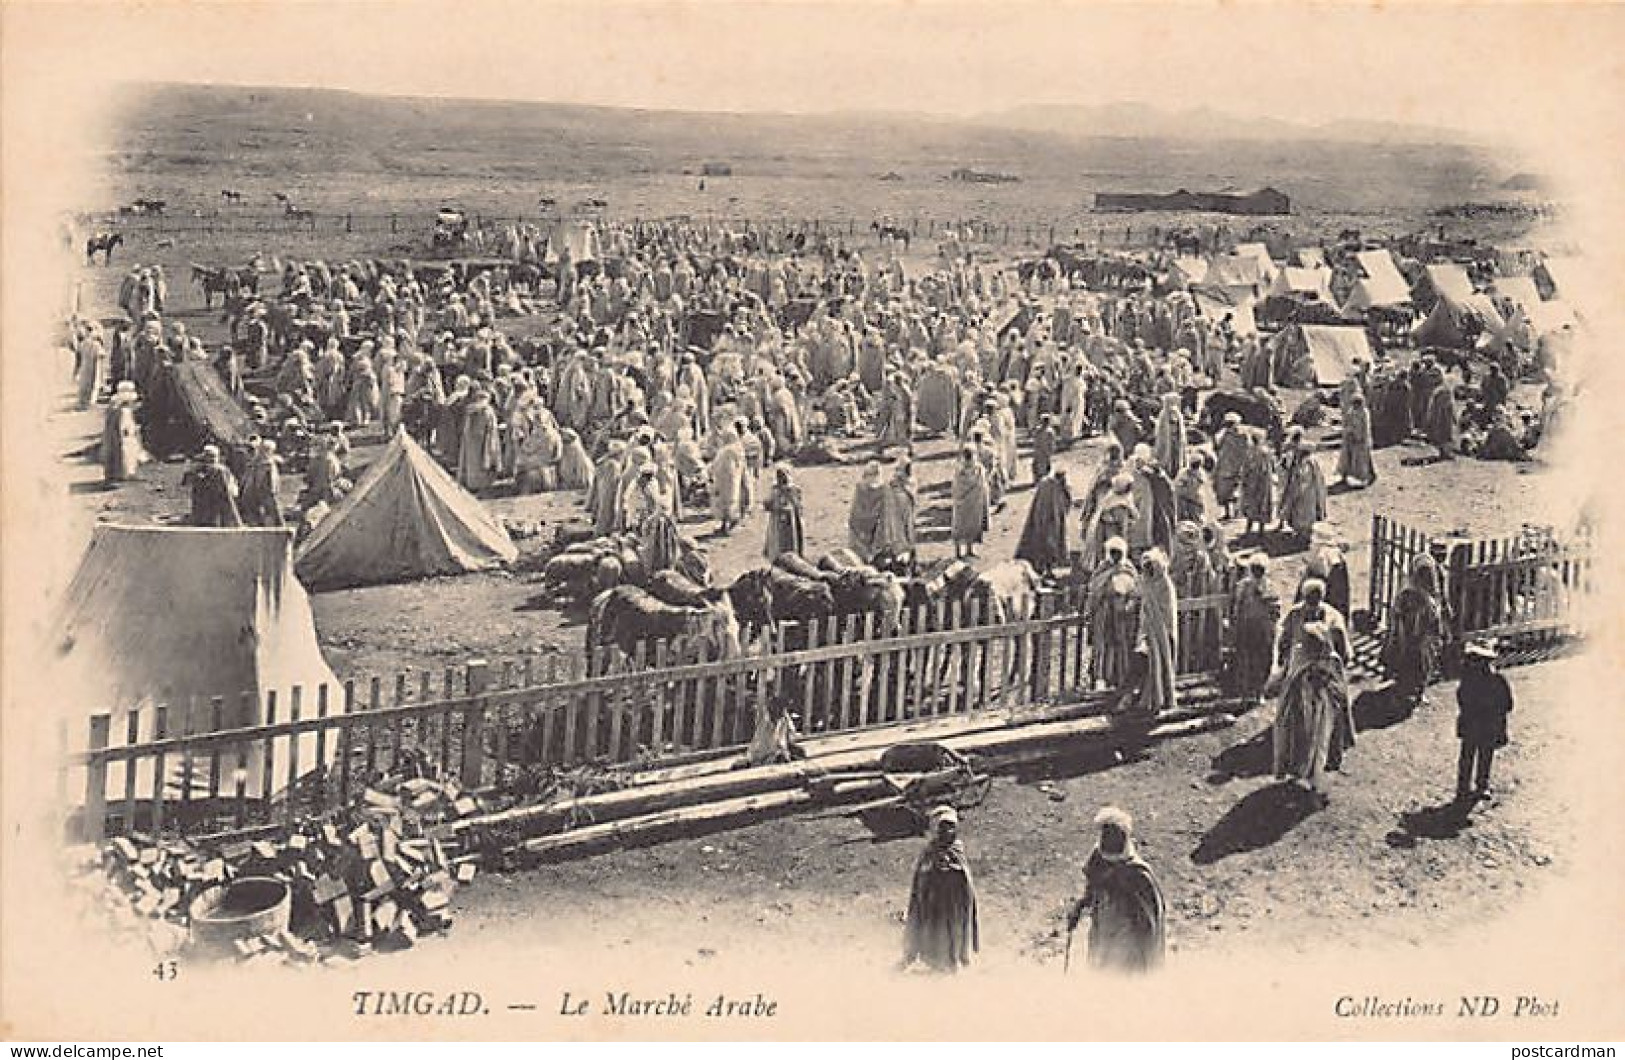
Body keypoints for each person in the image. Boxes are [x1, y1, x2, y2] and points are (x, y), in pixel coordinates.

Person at [1066, 807, 1165, 974]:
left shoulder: (1138, 874)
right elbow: (1092, 886)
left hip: (1127, 936)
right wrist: (1080, 906)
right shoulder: (1098, 859)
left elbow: (1150, 919)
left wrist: (1147, 955)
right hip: (1103, 926)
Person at [1272, 622, 1351, 801]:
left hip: (1325, 712)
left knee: (1321, 746)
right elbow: (1291, 682)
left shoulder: (1332, 660)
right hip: (1303, 711)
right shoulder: (1300, 655)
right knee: (1301, 743)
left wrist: (1326, 687)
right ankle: (1301, 774)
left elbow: (1340, 688)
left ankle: (1316, 784)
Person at [902, 806, 979, 973]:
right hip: (934, 900)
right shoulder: (929, 851)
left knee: (955, 930)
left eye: (951, 827)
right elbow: (922, 876)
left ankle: (955, 960)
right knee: (935, 930)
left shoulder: (957, 849)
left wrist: (952, 870)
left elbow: (964, 876)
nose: (948, 831)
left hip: (955, 901)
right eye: (943, 827)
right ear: (936, 828)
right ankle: (934, 960)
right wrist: (933, 871)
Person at [1382, 553, 1446, 702]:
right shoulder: (1413, 595)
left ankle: (1414, 690)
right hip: (1414, 637)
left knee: (1417, 664)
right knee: (1414, 664)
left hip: (1417, 638)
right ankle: (1411, 690)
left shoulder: (1415, 594)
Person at [1455, 641, 1513, 802]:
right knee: (1476, 756)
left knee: (1476, 756)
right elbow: (1508, 704)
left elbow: (1507, 704)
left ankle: (1472, 786)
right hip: (1481, 724)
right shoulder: (1488, 679)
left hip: (1480, 724)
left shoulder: (1488, 679)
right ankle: (1472, 786)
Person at [1084, 537, 1140, 693]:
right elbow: (1094, 588)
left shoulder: (1128, 568)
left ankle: (1120, 677)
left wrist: (1129, 603)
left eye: (1118, 553)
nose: (1115, 556)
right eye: (1113, 553)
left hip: (1122, 612)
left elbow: (1136, 590)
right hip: (1105, 610)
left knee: (1121, 644)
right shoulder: (1102, 568)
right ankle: (1100, 678)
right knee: (1102, 644)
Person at [1227, 553, 1279, 704]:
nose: (1257, 572)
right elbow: (1236, 607)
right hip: (1246, 628)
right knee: (1245, 659)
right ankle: (1245, 692)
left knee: (1263, 660)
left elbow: (1275, 610)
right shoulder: (1243, 586)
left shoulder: (1269, 587)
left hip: (1263, 630)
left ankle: (1259, 691)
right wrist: (1235, 624)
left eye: (1260, 569)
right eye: (1255, 569)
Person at [1136, 548, 1179, 715]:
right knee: (1149, 664)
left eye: (1150, 567)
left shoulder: (1165, 585)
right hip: (1149, 630)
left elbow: (1166, 611)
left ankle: (1163, 698)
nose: (1147, 571)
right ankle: (1149, 698)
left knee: (1162, 663)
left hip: (1162, 632)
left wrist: (1156, 626)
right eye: (1145, 568)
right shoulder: (1146, 582)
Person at [1016, 468, 1072, 577]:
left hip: (1054, 520)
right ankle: (1042, 568)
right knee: (1044, 545)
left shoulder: (1058, 486)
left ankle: (1048, 568)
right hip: (1045, 520)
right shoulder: (1047, 484)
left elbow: (1067, 501)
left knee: (1052, 546)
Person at [1279, 440, 1327, 546]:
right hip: (1306, 493)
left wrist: (1296, 492)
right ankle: (1301, 535)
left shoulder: (1308, 463)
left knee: (1304, 516)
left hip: (1306, 494)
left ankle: (1304, 538)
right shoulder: (1303, 462)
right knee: (1300, 515)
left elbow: (1304, 479)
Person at [183, 444, 243, 527]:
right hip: (212, 512)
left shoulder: (218, 471)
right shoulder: (219, 470)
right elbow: (230, 493)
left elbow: (228, 492)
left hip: (207, 513)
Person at [874, 459, 919, 562]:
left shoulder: (910, 481)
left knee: (906, 533)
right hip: (895, 511)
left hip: (905, 510)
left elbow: (911, 494)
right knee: (896, 532)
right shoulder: (895, 482)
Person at [950, 446, 991, 559]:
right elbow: (957, 486)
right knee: (960, 526)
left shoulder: (977, 468)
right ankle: (958, 553)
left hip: (974, 502)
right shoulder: (960, 470)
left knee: (971, 525)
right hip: (963, 502)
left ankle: (969, 550)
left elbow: (983, 484)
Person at [101, 380, 145, 484]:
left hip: (116, 438)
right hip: (122, 439)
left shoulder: (113, 409)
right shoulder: (123, 412)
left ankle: (118, 472)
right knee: (126, 450)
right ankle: (124, 472)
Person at [709, 426, 748, 533]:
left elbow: (726, 466)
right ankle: (725, 524)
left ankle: (728, 525)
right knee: (727, 501)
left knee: (727, 502)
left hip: (727, 479)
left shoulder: (729, 450)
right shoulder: (736, 448)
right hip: (730, 478)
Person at [239, 438, 285, 527]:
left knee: (256, 516)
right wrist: (273, 491)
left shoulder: (253, 463)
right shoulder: (268, 464)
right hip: (264, 493)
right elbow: (272, 481)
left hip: (252, 493)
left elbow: (245, 479)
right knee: (273, 514)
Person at [763, 463, 806, 560]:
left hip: (791, 520)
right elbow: (769, 504)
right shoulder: (775, 490)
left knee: (791, 541)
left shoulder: (794, 490)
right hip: (777, 521)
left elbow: (797, 505)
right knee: (778, 542)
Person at [1239, 429, 1275, 541]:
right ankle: (1258, 530)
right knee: (1258, 505)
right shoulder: (1262, 452)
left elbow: (1263, 468)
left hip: (1256, 482)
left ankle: (1255, 530)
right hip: (1259, 482)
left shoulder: (1255, 452)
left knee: (1256, 505)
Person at [848, 461, 888, 560]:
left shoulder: (884, 490)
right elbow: (855, 515)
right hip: (860, 528)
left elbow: (884, 515)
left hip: (877, 529)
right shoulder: (860, 489)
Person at [1212, 412, 1249, 518]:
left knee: (1229, 489)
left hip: (1229, 466)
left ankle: (1232, 512)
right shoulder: (1241, 436)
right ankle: (1232, 512)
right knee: (1229, 490)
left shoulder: (1234, 435)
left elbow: (1217, 447)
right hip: (1230, 465)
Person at [1337, 391, 1376, 488]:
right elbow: (1345, 424)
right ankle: (1344, 475)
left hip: (1361, 438)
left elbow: (1366, 427)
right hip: (1350, 437)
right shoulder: (1350, 412)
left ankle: (1367, 476)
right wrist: (1348, 433)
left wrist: (1361, 437)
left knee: (1363, 459)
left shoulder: (1364, 413)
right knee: (1347, 457)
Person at [1030, 413, 1057, 483]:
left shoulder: (1049, 431)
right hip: (1040, 451)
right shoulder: (1040, 430)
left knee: (1044, 466)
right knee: (1039, 466)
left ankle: (1042, 481)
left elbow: (1052, 442)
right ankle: (1038, 480)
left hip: (1044, 451)